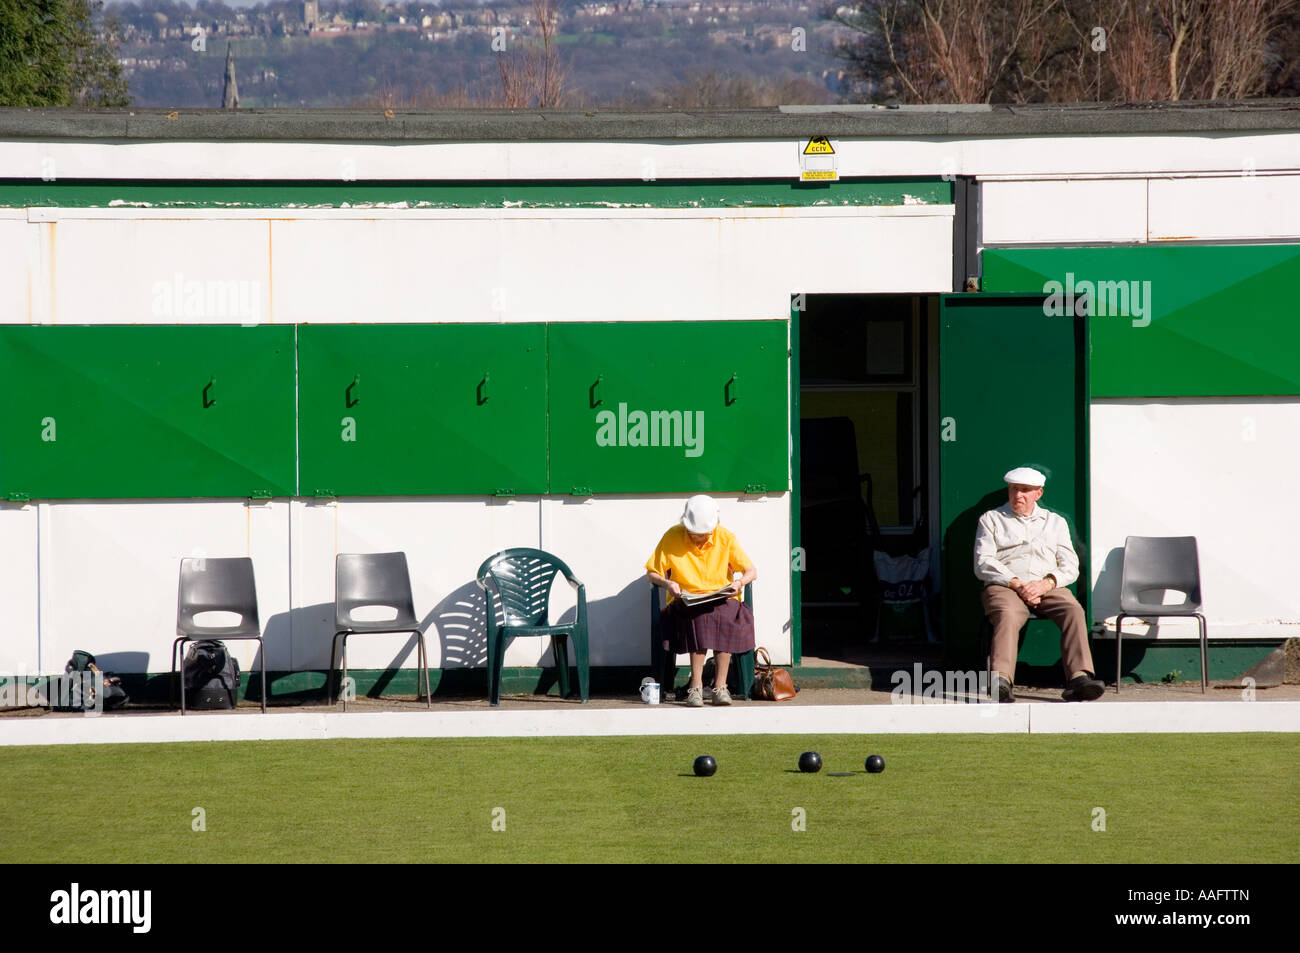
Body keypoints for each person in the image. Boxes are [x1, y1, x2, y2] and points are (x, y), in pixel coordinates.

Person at [974, 467, 1105, 703]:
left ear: (1038, 493)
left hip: (1046, 586)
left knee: (1073, 610)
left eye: (1025, 491)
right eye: (1014, 490)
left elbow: (1069, 565)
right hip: (1005, 586)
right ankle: (1001, 680)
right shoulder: (991, 519)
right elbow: (983, 562)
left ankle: (1079, 678)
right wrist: (1017, 584)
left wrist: (1046, 584)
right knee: (1008, 613)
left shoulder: (1055, 523)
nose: (1018, 496)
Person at [646, 495, 758, 707]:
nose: (699, 538)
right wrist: (668, 584)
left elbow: (752, 570)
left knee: (725, 618)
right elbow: (652, 573)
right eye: (694, 534)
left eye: (704, 534)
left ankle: (720, 688)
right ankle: (695, 688)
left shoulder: (725, 537)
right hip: (686, 602)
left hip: (721, 598)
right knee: (700, 618)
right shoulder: (672, 536)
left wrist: (739, 583)